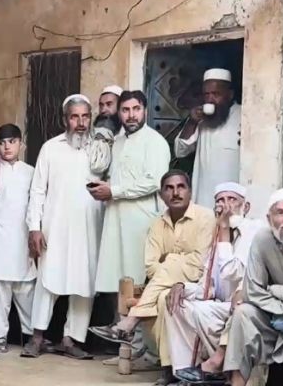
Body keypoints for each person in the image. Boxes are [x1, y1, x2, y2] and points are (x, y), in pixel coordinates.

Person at [90, 170, 215, 385]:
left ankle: (131, 321)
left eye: (181, 187)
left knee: (170, 265)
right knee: (162, 298)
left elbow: (200, 263)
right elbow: (151, 267)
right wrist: (175, 265)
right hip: (165, 286)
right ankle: (170, 369)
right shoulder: (157, 224)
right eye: (169, 188)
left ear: (190, 191)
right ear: (161, 195)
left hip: (200, 284)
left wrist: (171, 261)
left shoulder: (205, 217)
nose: (175, 193)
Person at [89, 90, 171, 366]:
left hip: (142, 219)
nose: (131, 115)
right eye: (125, 110)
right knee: (119, 281)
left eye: (136, 109)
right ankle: (125, 349)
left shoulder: (155, 142)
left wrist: (115, 190)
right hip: (115, 217)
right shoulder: (118, 141)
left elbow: (153, 181)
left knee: (139, 283)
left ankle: (145, 351)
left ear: (145, 110)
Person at [21, 96, 106, 359]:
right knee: (48, 281)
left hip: (89, 227)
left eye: (85, 116)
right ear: (65, 119)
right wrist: (34, 228)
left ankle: (70, 340)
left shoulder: (100, 148)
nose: (80, 123)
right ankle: (37, 337)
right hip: (54, 227)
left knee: (84, 283)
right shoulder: (50, 148)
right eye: (74, 117)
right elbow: (37, 191)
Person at [168, 182, 265, 384]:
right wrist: (183, 287)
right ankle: (184, 372)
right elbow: (207, 286)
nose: (226, 205)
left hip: (244, 307)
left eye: (232, 200)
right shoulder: (215, 235)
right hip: (220, 305)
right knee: (175, 303)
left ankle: (213, 368)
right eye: (221, 200)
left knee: (218, 311)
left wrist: (224, 231)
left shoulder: (253, 232)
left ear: (245, 207)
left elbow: (232, 272)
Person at [223, 188, 283, 386]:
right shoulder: (262, 240)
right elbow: (252, 291)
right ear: (270, 219)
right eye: (280, 212)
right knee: (243, 312)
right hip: (275, 318)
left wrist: (274, 289)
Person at [0, 124, 36, 353]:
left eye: (12, 141)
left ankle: (31, 336)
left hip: (23, 238)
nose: (7, 147)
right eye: (2, 142)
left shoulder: (31, 172)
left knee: (26, 289)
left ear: (21, 144)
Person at [175, 68, 241, 207]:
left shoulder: (244, 116)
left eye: (216, 94)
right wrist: (192, 122)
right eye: (207, 95)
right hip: (203, 200)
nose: (210, 99)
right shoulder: (200, 118)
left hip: (232, 202)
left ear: (229, 95)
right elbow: (180, 151)